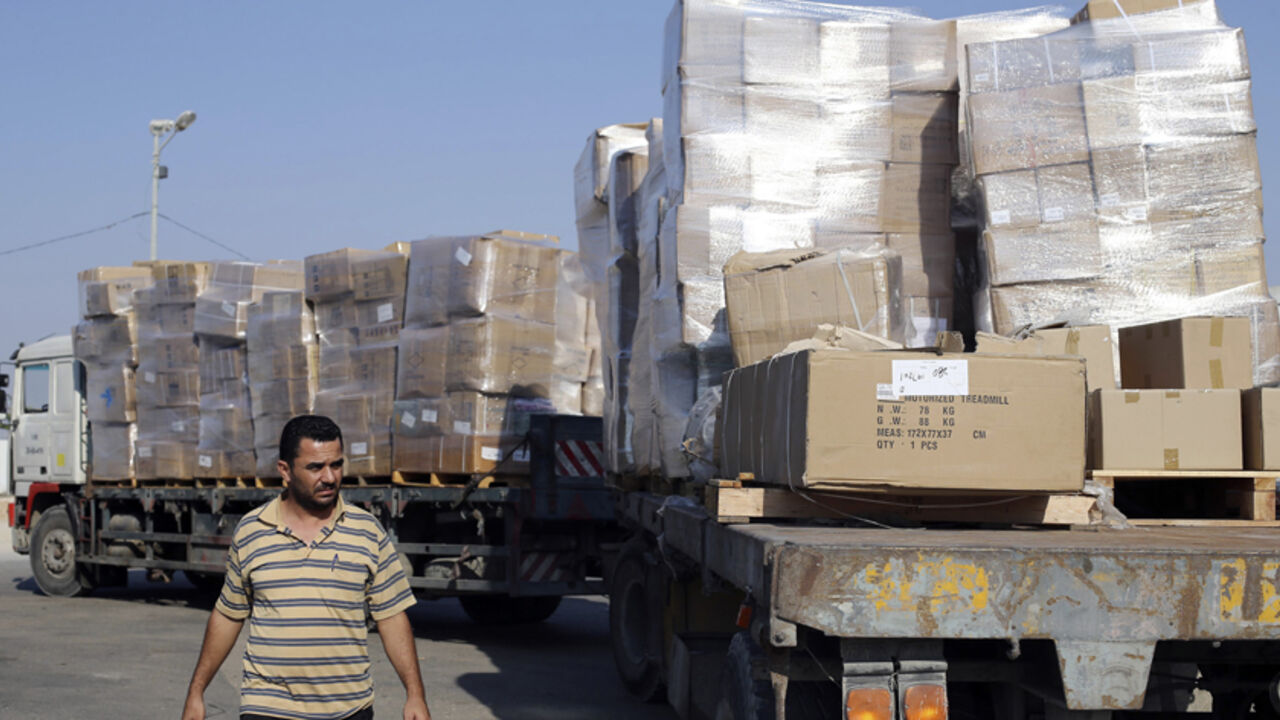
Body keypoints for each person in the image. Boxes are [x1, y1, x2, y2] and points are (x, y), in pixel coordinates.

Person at [182, 415, 431, 720]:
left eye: (336, 465)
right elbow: (228, 615)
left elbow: (391, 616)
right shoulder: (252, 531)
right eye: (315, 467)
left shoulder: (367, 531)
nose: (329, 477)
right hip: (269, 708)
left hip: (348, 709)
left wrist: (415, 695)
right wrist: (196, 691)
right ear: (285, 471)